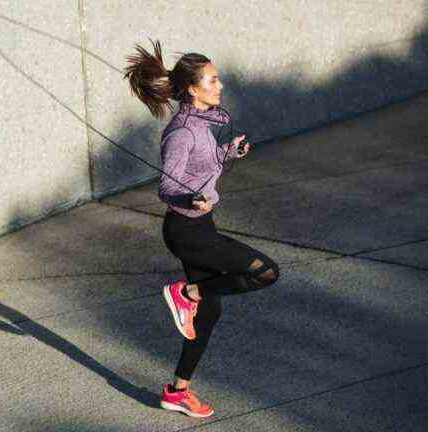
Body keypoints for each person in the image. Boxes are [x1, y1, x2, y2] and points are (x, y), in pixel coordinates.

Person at [125, 40, 280, 418]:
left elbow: (203, 166)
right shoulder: (182, 133)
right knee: (265, 272)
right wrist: (190, 198)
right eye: (213, 80)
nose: (220, 85)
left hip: (199, 225)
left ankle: (177, 391)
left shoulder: (204, 125)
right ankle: (186, 292)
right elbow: (168, 185)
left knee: (208, 315)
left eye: (218, 78)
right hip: (187, 231)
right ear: (194, 89)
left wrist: (229, 152)